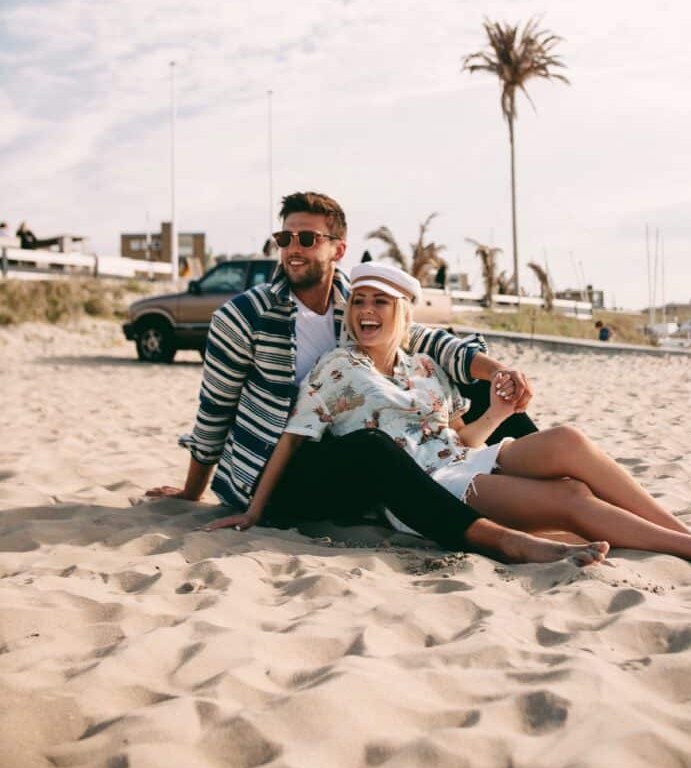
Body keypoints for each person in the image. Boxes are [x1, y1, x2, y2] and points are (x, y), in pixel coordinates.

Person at [222, 261, 691, 568]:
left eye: (380, 303)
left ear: (402, 313)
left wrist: (496, 411)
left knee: (568, 442)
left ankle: (682, 533)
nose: (367, 311)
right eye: (361, 302)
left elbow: (457, 435)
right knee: (569, 500)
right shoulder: (336, 370)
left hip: (462, 457)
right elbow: (293, 439)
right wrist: (253, 510)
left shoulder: (424, 367)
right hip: (425, 489)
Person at [148, 191, 606, 566]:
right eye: (284, 238)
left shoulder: (356, 298)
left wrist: (499, 372)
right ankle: (503, 540)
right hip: (282, 472)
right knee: (371, 446)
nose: (293, 249)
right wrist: (194, 490)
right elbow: (215, 408)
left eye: (307, 238)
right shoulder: (244, 316)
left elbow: (428, 340)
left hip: (347, 458)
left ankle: (558, 485)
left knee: (470, 387)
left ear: (337, 249)